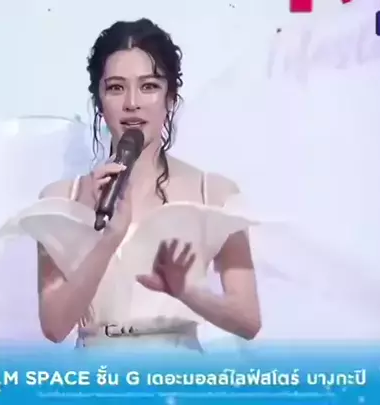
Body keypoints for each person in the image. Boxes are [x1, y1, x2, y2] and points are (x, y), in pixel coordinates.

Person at [34, 19, 261, 351]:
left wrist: (189, 292)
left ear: (170, 97)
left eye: (149, 86)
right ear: (99, 101)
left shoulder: (215, 193)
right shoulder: (59, 200)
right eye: (116, 88)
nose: (132, 103)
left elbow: (249, 321)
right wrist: (107, 240)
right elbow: (54, 327)